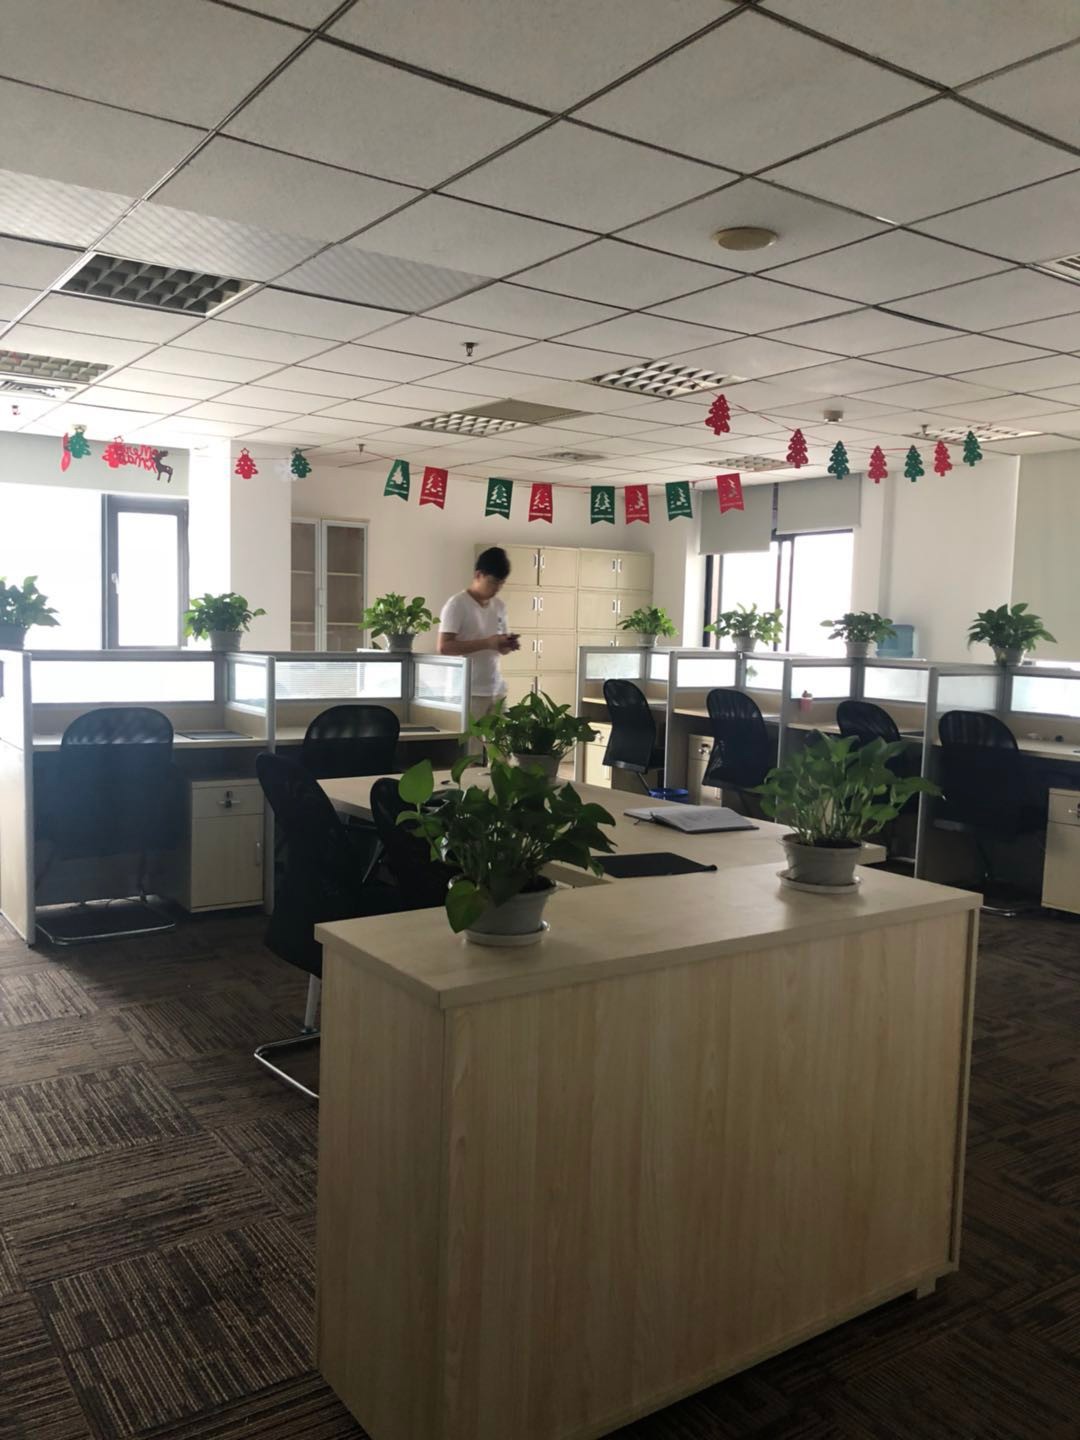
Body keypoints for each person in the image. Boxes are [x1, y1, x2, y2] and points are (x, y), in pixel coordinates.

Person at [437, 547, 519, 731]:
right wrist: (488, 643)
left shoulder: (499, 606)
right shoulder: (457, 604)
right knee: (471, 747)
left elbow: (500, 647)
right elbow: (444, 647)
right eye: (493, 582)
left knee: (501, 744)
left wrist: (507, 644)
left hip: (495, 688)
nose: (497, 588)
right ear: (478, 575)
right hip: (467, 691)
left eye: (501, 583)